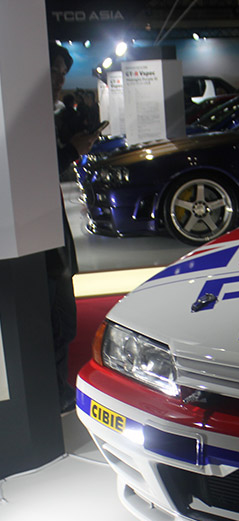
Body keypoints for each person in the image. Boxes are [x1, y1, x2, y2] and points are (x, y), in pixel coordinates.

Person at [48, 43, 99, 413]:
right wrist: (71, 151)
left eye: (63, 74)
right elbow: (32, 170)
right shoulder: (23, 119)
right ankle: (52, 393)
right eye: (54, 73)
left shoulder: (48, 115)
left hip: (49, 231)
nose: (59, 81)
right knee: (55, 318)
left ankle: (56, 390)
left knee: (63, 318)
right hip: (37, 239)